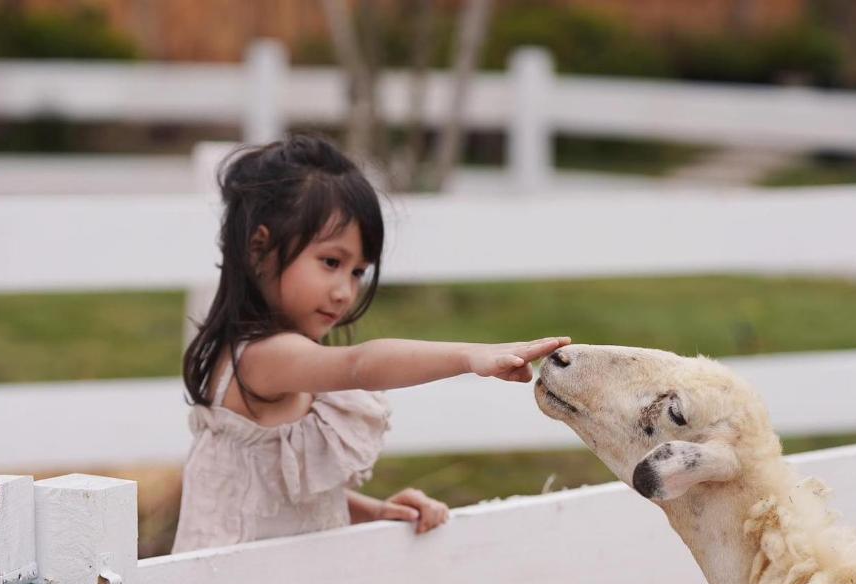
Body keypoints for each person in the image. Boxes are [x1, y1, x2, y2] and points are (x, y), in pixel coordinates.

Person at [173, 134, 569, 559]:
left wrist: (377, 511)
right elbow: (362, 363)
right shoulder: (257, 359)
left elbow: (280, 498)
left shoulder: (288, 363)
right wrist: (469, 357)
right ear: (259, 249)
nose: (346, 291)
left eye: (358, 271)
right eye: (331, 262)